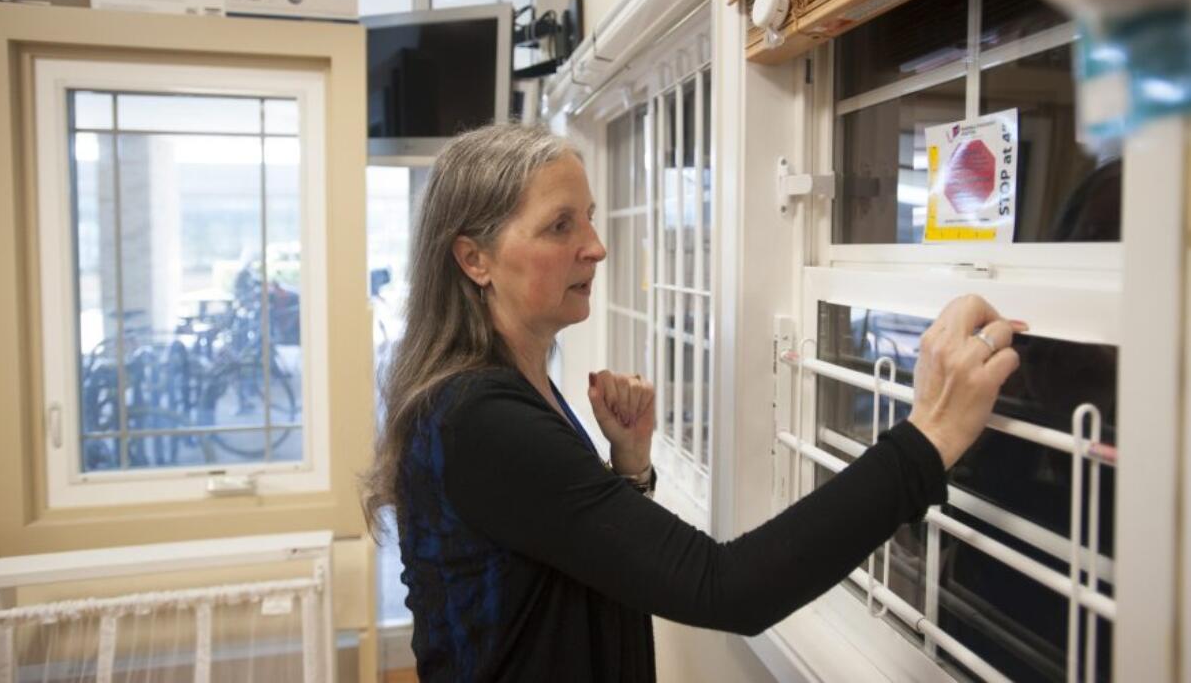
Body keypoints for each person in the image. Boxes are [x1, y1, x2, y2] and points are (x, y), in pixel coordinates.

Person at [361, 124, 1025, 682]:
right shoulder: (481, 417)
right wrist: (929, 435)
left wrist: (627, 469)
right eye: (560, 225)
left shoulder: (505, 388)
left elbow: (561, 565)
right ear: (475, 259)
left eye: (589, 217)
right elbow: (727, 586)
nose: (596, 244)